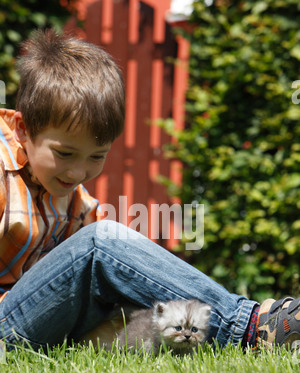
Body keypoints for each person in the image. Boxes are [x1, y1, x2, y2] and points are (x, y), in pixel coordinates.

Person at [0, 29, 299, 355]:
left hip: (42, 317)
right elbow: (99, 248)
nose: (78, 172)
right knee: (100, 243)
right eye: (65, 154)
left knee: (121, 278)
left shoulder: (71, 195)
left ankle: (219, 331)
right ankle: (253, 329)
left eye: (96, 157)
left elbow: (117, 266)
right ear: (23, 129)